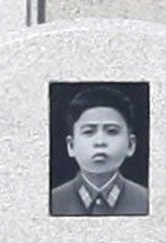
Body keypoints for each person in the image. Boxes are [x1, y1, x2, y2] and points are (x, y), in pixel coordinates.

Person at [50, 85, 150, 217]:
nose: (100, 142)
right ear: (71, 146)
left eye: (112, 131)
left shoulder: (148, 201)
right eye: (89, 131)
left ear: (130, 145)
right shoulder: (52, 202)